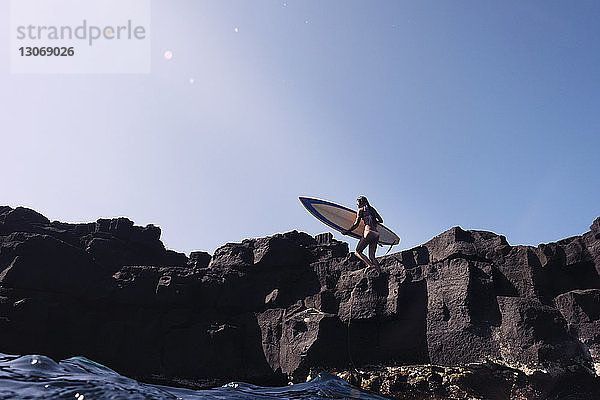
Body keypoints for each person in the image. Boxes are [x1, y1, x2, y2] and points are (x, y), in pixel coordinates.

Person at [342, 196, 383, 273]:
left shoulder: (360, 210)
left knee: (358, 251)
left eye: (357, 204)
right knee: (372, 256)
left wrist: (347, 232)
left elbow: (356, 224)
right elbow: (381, 220)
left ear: (360, 203)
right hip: (376, 234)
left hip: (368, 232)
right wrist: (374, 221)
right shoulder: (372, 209)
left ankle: (370, 265)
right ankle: (380, 273)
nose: (357, 205)